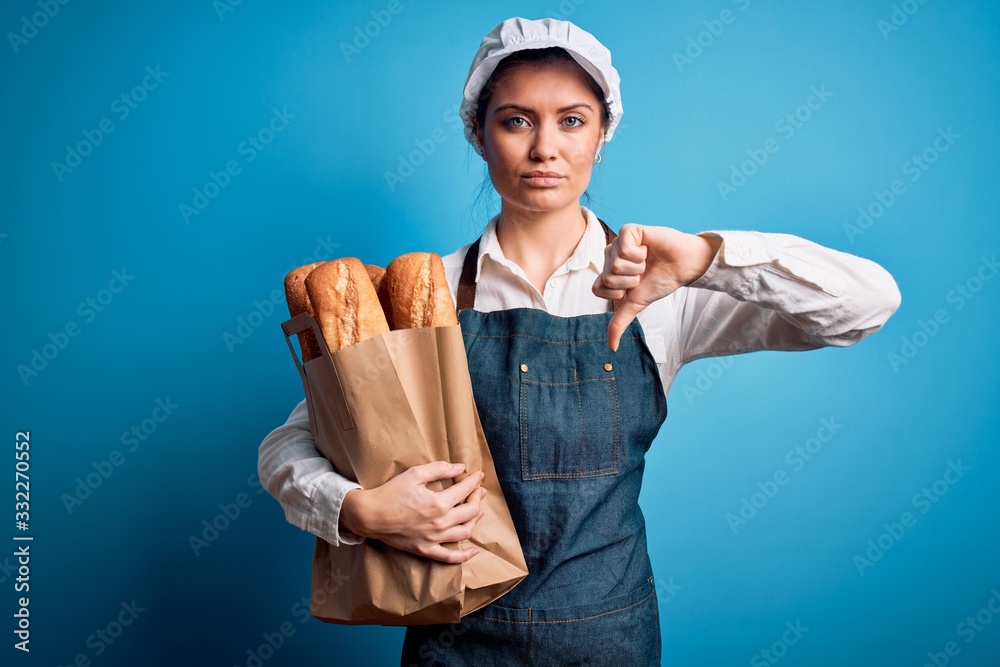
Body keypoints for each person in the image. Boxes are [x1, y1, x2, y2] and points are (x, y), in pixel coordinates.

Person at [258, 17, 900, 666]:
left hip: (608, 642)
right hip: (454, 645)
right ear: (478, 135)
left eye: (571, 120)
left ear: (602, 134)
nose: (545, 149)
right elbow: (289, 442)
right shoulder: (425, 289)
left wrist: (710, 257)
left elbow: (867, 304)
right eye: (516, 120)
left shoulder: (658, 286)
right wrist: (360, 511)